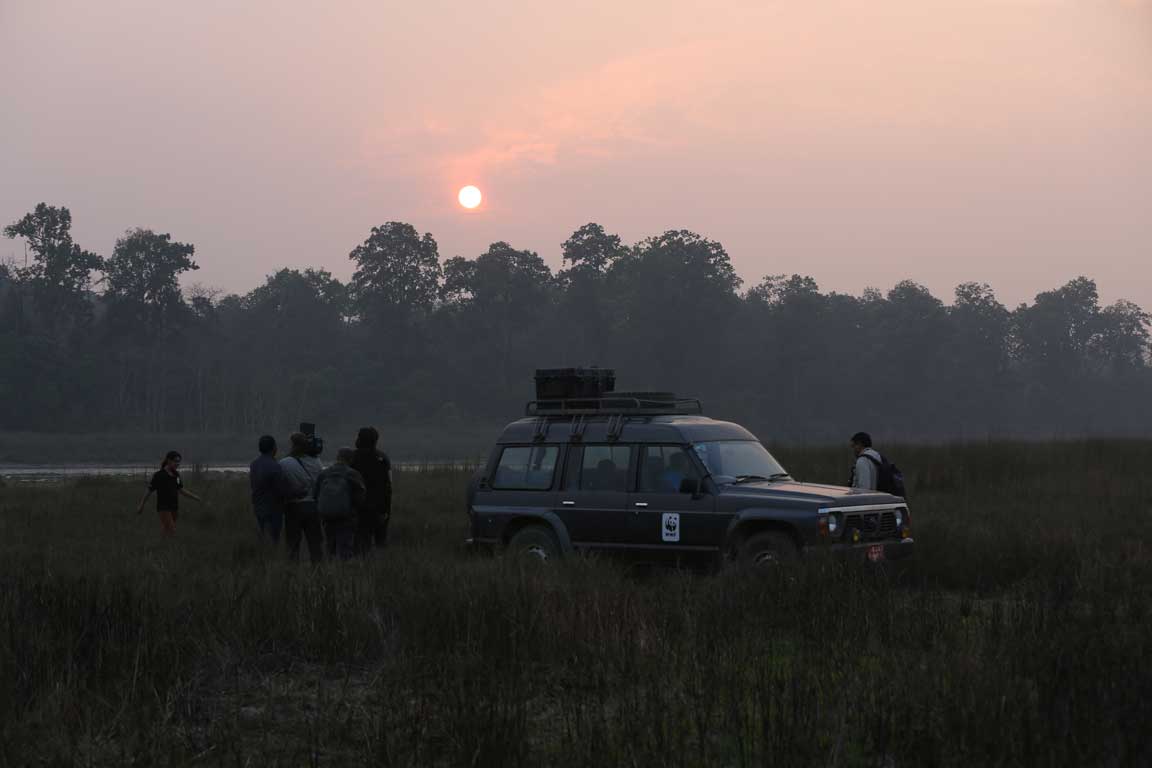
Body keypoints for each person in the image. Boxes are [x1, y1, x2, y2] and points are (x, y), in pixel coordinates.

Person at [314, 447, 366, 560]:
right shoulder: (353, 474)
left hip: (327, 516)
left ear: (337, 457)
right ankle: (343, 573)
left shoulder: (324, 473)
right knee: (345, 548)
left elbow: (316, 494)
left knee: (329, 546)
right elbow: (360, 498)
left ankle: (329, 572)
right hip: (346, 517)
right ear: (351, 460)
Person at [280, 432, 324, 563]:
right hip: (313, 506)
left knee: (293, 544)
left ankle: (293, 571)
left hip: (293, 507)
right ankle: (318, 570)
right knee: (315, 543)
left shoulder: (284, 462)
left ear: (292, 445)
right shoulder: (317, 462)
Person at [136, 450, 201, 534]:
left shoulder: (176, 475)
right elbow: (149, 490)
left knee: (166, 530)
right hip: (163, 507)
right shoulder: (159, 475)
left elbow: (180, 490)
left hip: (174, 507)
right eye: (175, 461)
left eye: (179, 462)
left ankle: (161, 544)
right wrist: (141, 505)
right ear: (168, 461)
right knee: (172, 531)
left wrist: (195, 497)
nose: (177, 464)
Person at [350, 426, 392, 555]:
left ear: (360, 439)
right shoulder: (383, 458)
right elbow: (388, 486)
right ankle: (379, 568)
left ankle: (361, 566)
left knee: (360, 541)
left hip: (358, 506)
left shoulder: (352, 458)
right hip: (379, 506)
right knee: (380, 542)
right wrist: (386, 509)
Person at [249, 434, 286, 543]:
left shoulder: (254, 464)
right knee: (273, 538)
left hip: (258, 506)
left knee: (263, 536)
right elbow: (281, 490)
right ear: (273, 448)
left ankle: (264, 555)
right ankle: (271, 557)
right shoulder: (275, 466)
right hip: (273, 508)